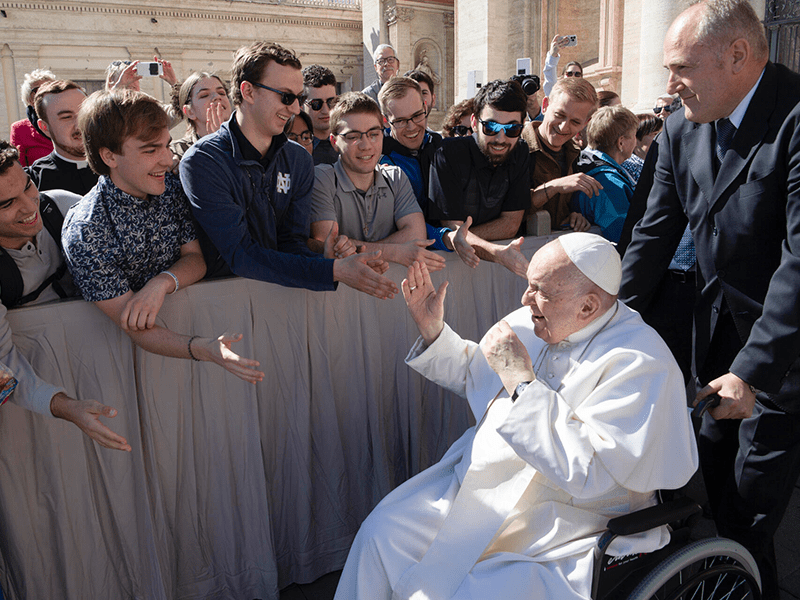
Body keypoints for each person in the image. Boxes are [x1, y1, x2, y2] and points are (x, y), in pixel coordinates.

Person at [334, 233, 698, 600]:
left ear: (588, 307)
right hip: (480, 485)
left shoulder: (641, 361)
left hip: (569, 521)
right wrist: (434, 331)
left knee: (466, 592)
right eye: (529, 286)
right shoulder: (536, 317)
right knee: (380, 535)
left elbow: (590, 471)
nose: (526, 301)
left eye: (541, 291)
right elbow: (476, 377)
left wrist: (522, 383)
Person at [619, 1, 800, 596]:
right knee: (707, 501)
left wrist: (752, 372)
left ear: (738, 56)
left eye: (681, 68)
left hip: (777, 364)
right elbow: (652, 235)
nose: (669, 84)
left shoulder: (795, 118)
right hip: (708, 353)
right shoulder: (680, 126)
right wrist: (602, 321)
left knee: (750, 518)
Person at [62, 89, 263, 385]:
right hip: (125, 374)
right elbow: (136, 328)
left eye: (167, 146)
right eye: (150, 150)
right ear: (109, 155)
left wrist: (161, 283)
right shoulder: (86, 230)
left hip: (198, 355)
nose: (168, 160)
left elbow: (195, 259)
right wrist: (204, 348)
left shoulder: (170, 187)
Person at [179, 41, 398, 299]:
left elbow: (291, 242)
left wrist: (328, 258)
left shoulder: (298, 160)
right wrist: (332, 270)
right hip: (222, 307)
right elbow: (241, 254)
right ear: (247, 92)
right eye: (286, 97)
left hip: (286, 302)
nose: (295, 109)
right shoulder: (203, 161)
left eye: (299, 98)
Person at [0, 140, 130, 451]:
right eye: (6, 204)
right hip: (37, 414)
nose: (30, 206)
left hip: (110, 370)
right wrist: (66, 406)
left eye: (28, 185)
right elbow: (6, 364)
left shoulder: (61, 207)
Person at [309, 91, 444, 272]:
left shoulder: (395, 177)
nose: (366, 145)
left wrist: (357, 249)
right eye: (353, 136)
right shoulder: (322, 178)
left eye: (374, 134)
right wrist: (396, 252)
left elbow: (416, 235)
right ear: (334, 142)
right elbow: (327, 244)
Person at [429, 79, 529, 250]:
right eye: (491, 127)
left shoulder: (520, 150)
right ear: (474, 123)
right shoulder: (448, 153)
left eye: (512, 128)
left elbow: (511, 225)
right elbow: (453, 228)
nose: (500, 138)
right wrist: (497, 253)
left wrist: (463, 237)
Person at [522, 77, 597, 232]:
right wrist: (554, 187)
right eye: (559, 115)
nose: (563, 127)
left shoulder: (575, 155)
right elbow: (509, 210)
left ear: (585, 123)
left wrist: (574, 217)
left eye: (575, 122)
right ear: (545, 106)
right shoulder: (515, 147)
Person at [571, 105, 638, 242]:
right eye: (634, 136)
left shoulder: (585, 163)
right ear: (621, 142)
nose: (636, 142)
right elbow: (623, 237)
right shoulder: (609, 183)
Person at [26, 80, 98, 196]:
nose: (79, 124)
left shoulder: (119, 165)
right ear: (45, 128)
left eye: (84, 113)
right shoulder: (34, 182)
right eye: (66, 117)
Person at [170, 72, 232, 162]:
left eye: (221, 93)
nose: (217, 97)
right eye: (204, 95)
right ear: (189, 111)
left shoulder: (247, 142)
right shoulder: (179, 153)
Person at [9, 69, 55, 167]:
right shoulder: (20, 129)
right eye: (39, 90)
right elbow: (19, 169)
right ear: (30, 100)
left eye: (53, 89)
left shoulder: (70, 120)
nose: (48, 93)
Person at [301, 64, 339, 165]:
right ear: (301, 105)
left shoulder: (349, 142)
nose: (326, 110)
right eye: (316, 104)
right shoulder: (293, 148)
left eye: (331, 101)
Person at [621, 113, 663, 183]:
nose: (661, 138)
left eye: (662, 134)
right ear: (635, 139)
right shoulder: (630, 168)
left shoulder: (658, 163)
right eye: (655, 134)